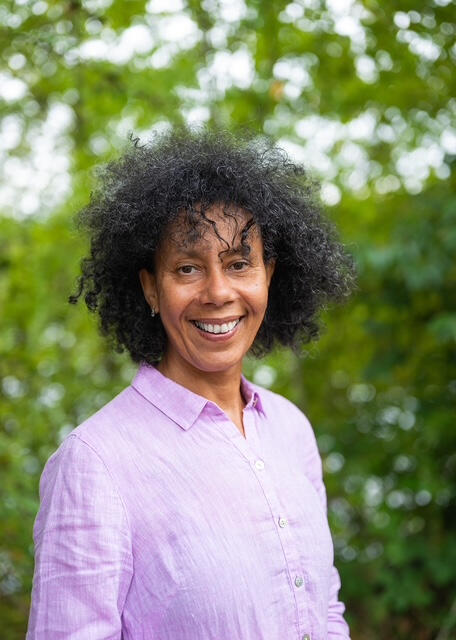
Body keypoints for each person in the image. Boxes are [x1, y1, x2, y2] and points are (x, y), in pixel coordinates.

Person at [27, 128, 355, 639]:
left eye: (239, 263)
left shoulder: (291, 429)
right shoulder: (95, 463)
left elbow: (324, 611)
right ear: (150, 288)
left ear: (268, 275)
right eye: (187, 268)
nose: (218, 292)